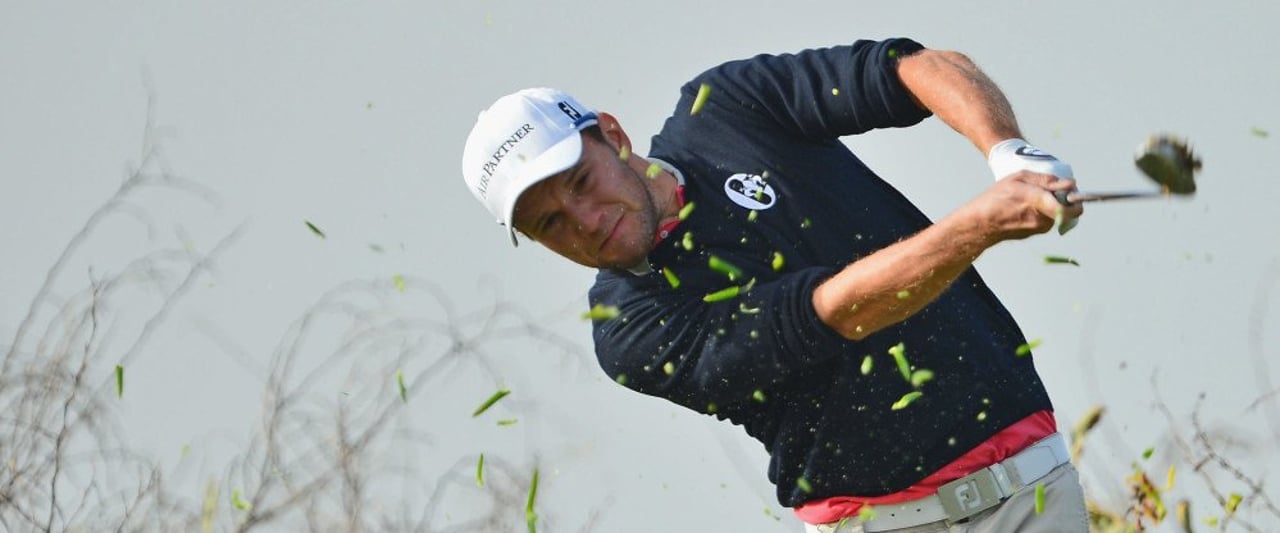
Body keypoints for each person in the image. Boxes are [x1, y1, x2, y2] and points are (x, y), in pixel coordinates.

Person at [461, 37, 1088, 532]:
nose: (586, 221)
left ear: (614, 137)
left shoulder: (726, 108)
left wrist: (1008, 151)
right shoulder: (629, 331)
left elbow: (911, 69)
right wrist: (974, 227)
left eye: (579, 183)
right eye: (550, 223)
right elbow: (837, 312)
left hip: (1035, 498)